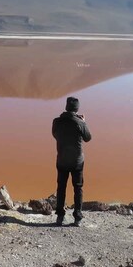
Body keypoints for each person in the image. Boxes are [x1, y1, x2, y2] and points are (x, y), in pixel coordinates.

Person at [52, 96, 92, 226]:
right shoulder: (80, 123)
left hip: (62, 160)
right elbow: (88, 138)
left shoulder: (57, 122)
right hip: (77, 162)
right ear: (77, 109)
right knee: (78, 188)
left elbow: (55, 135)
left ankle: (60, 217)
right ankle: (77, 218)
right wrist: (84, 122)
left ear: (66, 107)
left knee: (61, 188)